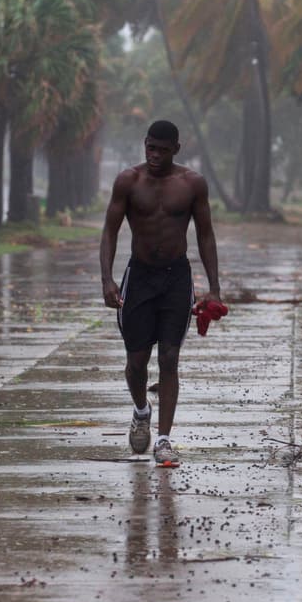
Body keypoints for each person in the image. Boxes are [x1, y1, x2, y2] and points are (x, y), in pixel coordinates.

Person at [100, 120, 222, 468]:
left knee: (169, 358)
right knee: (136, 363)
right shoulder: (128, 180)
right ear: (145, 144)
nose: (154, 155)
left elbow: (206, 235)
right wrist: (107, 279)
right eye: (150, 147)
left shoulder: (191, 184)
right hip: (138, 278)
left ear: (176, 150)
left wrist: (213, 286)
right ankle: (141, 410)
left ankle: (165, 441)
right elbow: (109, 231)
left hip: (176, 279)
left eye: (162, 150)